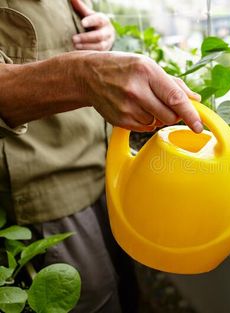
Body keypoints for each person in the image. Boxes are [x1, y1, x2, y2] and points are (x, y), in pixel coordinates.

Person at [0, 0, 202, 312]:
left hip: (106, 168)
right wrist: (84, 74)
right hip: (52, 192)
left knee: (128, 287)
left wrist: (96, 33)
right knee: (93, 298)